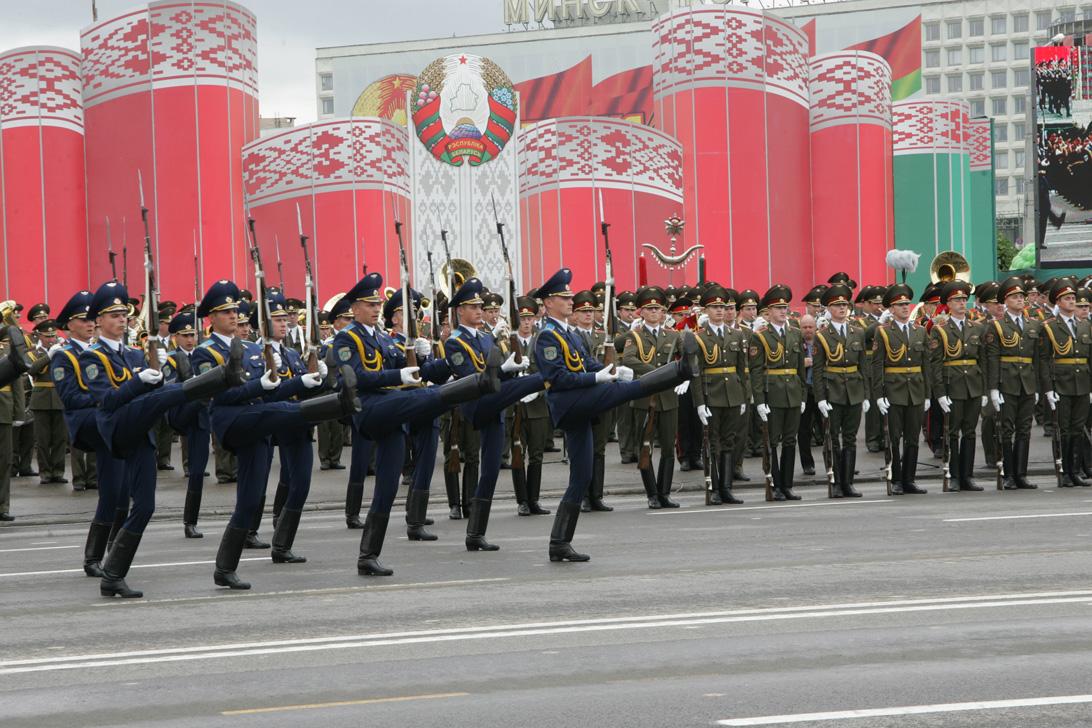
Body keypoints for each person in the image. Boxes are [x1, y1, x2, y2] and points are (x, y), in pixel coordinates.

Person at [191, 280, 358, 589]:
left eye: (234, 310)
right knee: (276, 412)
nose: (232, 315)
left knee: (251, 499)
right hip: (232, 421)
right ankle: (337, 405)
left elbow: (275, 392)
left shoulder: (255, 349)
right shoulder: (205, 353)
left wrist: (304, 383)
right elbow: (219, 396)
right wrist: (259, 387)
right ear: (210, 318)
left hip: (259, 424)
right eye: (225, 311)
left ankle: (225, 568)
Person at [336, 272, 502, 576]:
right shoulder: (347, 338)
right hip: (371, 408)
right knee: (429, 396)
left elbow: (415, 371)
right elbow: (355, 377)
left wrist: (441, 363)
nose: (375, 309)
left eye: (376, 304)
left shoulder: (382, 339)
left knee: (387, 489)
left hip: (393, 415)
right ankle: (476, 385)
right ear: (354, 307)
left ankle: (368, 556)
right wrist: (397, 376)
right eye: (369, 304)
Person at [83, 280, 241, 597]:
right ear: (98, 321)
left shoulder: (135, 354)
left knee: (145, 507)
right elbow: (108, 401)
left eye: (123, 314)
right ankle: (218, 378)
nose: (121, 319)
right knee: (156, 397)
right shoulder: (91, 357)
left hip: (141, 433)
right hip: (116, 426)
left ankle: (113, 574)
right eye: (112, 315)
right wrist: (139, 383)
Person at [534, 268, 696, 561]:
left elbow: (585, 362)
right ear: (548, 303)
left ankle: (559, 543)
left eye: (570, 296)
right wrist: (595, 380)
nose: (571, 301)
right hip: (568, 403)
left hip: (580, 405)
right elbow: (557, 378)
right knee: (627, 391)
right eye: (564, 297)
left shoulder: (567, 333)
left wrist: (608, 371)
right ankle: (679, 370)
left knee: (581, 476)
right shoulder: (546, 336)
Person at [443, 278, 541, 550]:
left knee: (490, 472)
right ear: (459, 311)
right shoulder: (454, 342)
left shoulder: (486, 338)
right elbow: (468, 376)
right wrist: (504, 372)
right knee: (536, 379)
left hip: (495, 406)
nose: (478, 309)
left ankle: (475, 534)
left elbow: (495, 372)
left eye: (479, 305)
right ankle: (549, 377)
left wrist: (506, 369)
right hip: (476, 404)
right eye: (472, 306)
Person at [624, 286, 687, 509]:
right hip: (645, 396)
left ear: (663, 313)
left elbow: (686, 357)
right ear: (641, 312)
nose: (653, 313)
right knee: (645, 447)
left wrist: (684, 375)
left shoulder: (673, 335)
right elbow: (629, 360)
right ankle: (651, 493)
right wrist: (656, 372)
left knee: (669, 447)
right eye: (649, 309)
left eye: (657, 309)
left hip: (668, 397)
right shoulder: (635, 336)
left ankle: (665, 493)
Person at [691, 284, 748, 505]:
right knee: (712, 443)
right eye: (714, 307)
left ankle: (726, 488)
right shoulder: (699, 338)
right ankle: (713, 487)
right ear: (706, 311)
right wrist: (699, 403)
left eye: (722, 307)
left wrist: (743, 396)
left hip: (732, 394)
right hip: (711, 394)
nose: (720, 311)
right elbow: (697, 373)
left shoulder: (737, 334)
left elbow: (742, 370)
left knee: (729, 442)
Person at [872, 284, 932, 496]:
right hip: (894, 390)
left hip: (915, 390)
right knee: (894, 437)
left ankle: (909, 479)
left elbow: (926, 365)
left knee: (913, 438)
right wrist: (878, 395)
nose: (906, 307)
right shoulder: (884, 333)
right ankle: (896, 479)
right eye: (900, 305)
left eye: (907, 304)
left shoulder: (920, 331)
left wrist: (927, 394)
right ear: (891, 309)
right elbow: (877, 365)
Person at [750, 285, 807, 501]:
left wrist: (803, 396)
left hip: (792, 393)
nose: (783, 311)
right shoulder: (761, 336)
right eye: (778, 308)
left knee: (790, 441)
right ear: (769, 312)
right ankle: (774, 484)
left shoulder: (794, 333)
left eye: (785, 307)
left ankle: (787, 485)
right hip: (772, 394)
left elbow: (800, 368)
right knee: (772, 441)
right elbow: (756, 372)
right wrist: (760, 400)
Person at [930, 280, 987, 492]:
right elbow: (935, 364)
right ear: (948, 303)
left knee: (970, 432)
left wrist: (983, 389)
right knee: (952, 432)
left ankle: (967, 476)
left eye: (964, 299)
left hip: (972, 384)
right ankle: (953, 475)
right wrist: (940, 393)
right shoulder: (940, 330)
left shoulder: (977, 328)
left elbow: (982, 360)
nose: (962, 303)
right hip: (951, 385)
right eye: (957, 300)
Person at [984, 276, 1041, 490]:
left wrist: (1036, 387)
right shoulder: (996, 326)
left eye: (1021, 296)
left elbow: (1035, 359)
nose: (1020, 300)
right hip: (1006, 383)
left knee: (1024, 429)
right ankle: (1008, 474)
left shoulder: (1032, 324)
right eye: (1015, 297)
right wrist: (993, 389)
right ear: (1005, 301)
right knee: (1006, 429)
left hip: (1026, 383)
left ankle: (1021, 474)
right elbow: (992, 359)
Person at [812, 283, 868, 498]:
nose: (842, 308)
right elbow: (817, 370)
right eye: (837, 305)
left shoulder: (858, 332)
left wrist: (866, 395)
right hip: (832, 390)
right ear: (829, 309)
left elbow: (864, 365)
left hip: (853, 390)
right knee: (833, 438)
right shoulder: (823, 336)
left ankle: (848, 483)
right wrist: (820, 398)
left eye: (845, 304)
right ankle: (835, 482)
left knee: (851, 438)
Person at [1039, 278, 1091, 487]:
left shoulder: (1084, 325)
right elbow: (1043, 360)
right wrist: (1048, 389)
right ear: (1058, 302)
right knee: (1064, 429)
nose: (1071, 302)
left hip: (1082, 383)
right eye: (1067, 299)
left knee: (1078, 429)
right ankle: (1063, 471)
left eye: (1073, 298)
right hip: (1061, 383)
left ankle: (1075, 471)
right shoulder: (1049, 327)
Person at [571, 290, 612, 511]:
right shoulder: (570, 336)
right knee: (581, 449)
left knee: (599, 448)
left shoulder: (603, 336)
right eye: (583, 311)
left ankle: (596, 495)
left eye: (590, 310)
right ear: (574, 315)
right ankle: (582, 495)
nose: (588, 314)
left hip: (602, 396)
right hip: (582, 395)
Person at [512, 295, 551, 516]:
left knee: (536, 454)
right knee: (518, 452)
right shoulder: (506, 341)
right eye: (523, 318)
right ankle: (522, 501)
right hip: (515, 407)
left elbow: (550, 371)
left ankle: (534, 499)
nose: (527, 322)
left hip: (537, 405)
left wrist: (539, 388)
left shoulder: (541, 341)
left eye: (530, 318)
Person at [29, 319, 67, 484]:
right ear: (39, 336)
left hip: (59, 397)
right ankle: (45, 472)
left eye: (53, 335)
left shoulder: (62, 351)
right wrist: (49, 356)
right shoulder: (33, 353)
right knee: (43, 439)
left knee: (60, 438)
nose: (51, 339)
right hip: (41, 398)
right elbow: (32, 369)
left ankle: (58, 471)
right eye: (47, 336)